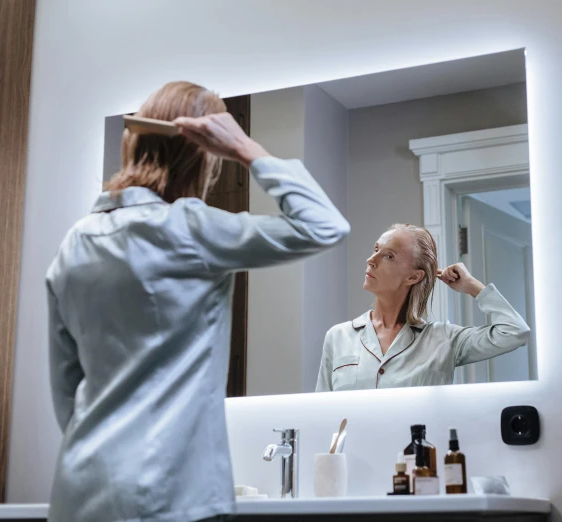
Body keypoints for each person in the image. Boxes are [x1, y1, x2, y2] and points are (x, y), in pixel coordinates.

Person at [46, 81, 349, 522]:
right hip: (170, 496)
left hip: (80, 490)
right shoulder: (189, 229)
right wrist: (246, 149)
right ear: (203, 155)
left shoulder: (75, 242)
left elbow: (66, 395)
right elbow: (324, 226)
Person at [315, 223, 529, 392]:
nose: (371, 260)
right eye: (376, 249)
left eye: (389, 256)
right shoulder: (338, 337)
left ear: (414, 276)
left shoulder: (444, 340)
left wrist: (473, 287)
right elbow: (322, 414)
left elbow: (514, 332)